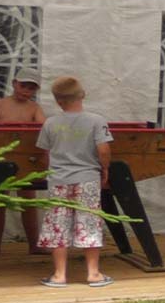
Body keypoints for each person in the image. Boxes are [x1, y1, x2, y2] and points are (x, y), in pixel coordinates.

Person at [35, 76, 113, 287]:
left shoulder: (50, 123)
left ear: (58, 101)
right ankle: (93, 274)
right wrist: (104, 168)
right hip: (87, 178)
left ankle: (59, 275)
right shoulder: (97, 121)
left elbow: (44, 154)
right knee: (89, 221)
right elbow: (104, 150)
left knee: (58, 224)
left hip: (59, 180)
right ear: (83, 95)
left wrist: (47, 171)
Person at [0, 74, 47, 256]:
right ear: (14, 83)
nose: (26, 91)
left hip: (24, 159)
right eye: (23, 86)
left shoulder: (34, 108)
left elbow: (44, 129)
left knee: (28, 201)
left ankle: (34, 245)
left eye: (31, 88)